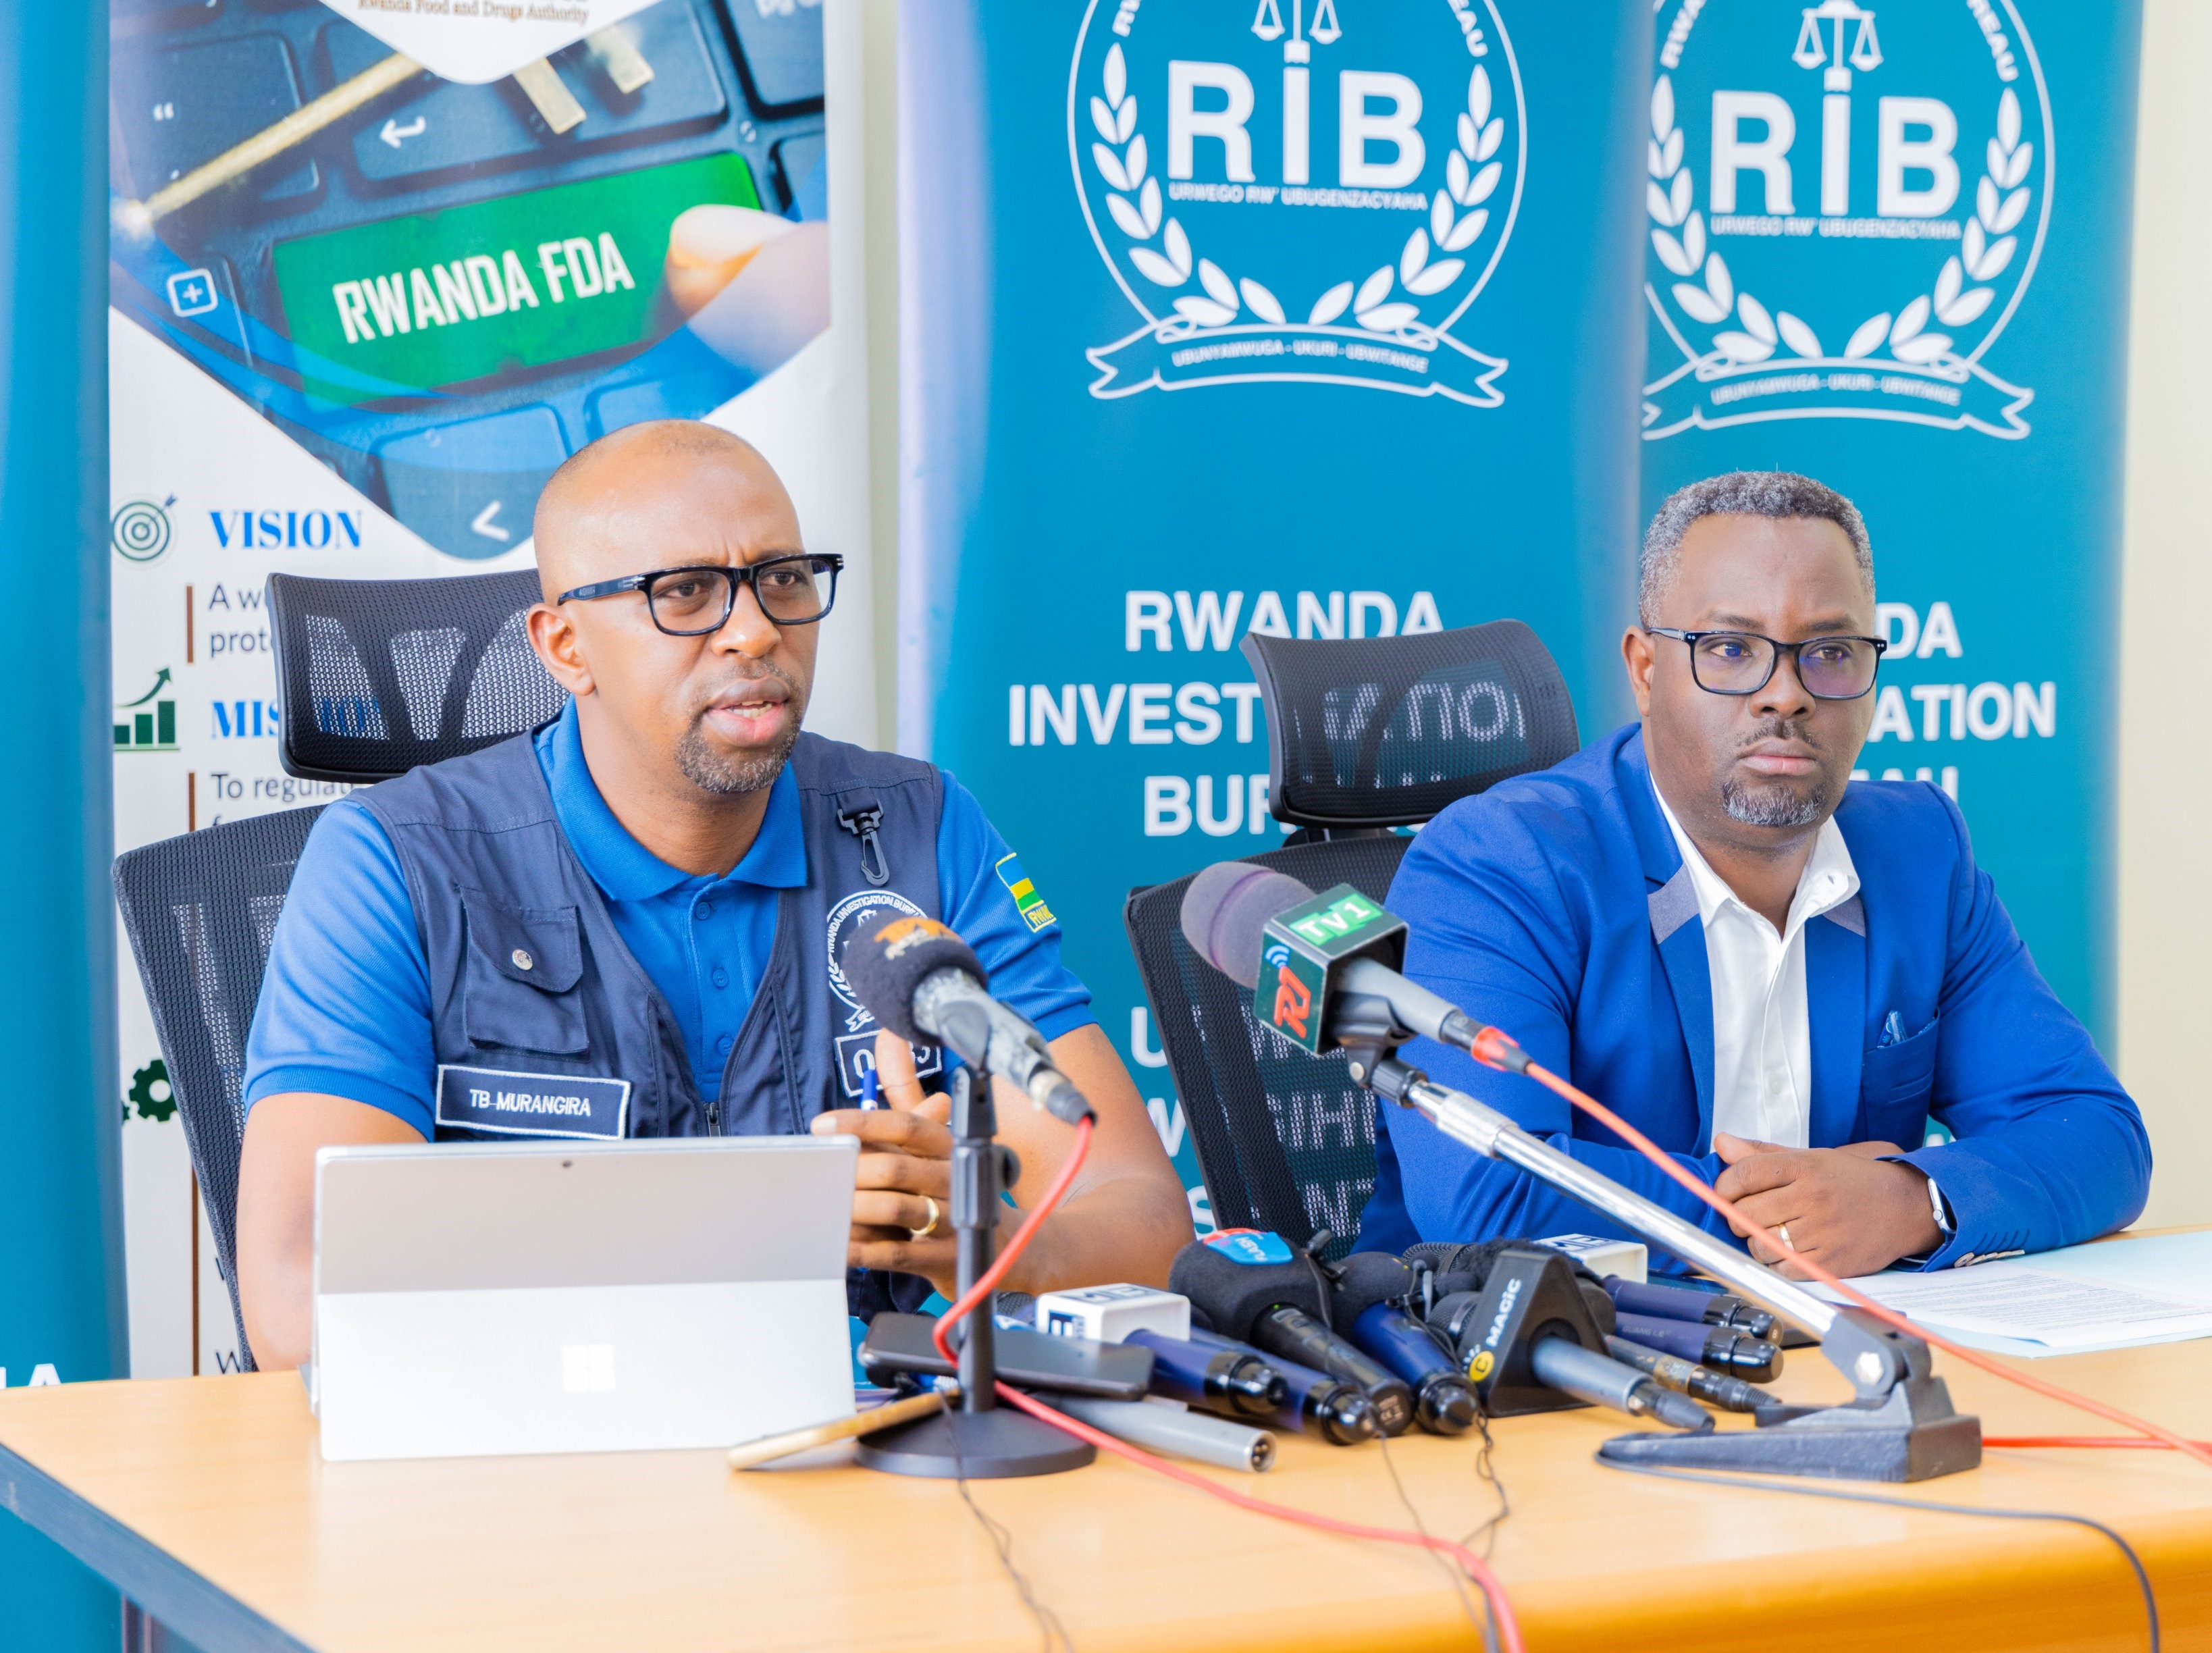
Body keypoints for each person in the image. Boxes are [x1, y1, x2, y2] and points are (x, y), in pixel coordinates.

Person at [234, 422, 1191, 1369]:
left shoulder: (919, 830)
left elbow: (1145, 1217)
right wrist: (715, 1248)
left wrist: (994, 1244)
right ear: (565, 646)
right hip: (545, 1445)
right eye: (685, 591)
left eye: (784, 578)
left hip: (876, 1435)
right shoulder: (390, 863)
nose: (757, 629)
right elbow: (295, 1302)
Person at [1360, 471, 2149, 1278]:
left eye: (1830, 653)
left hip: (1844, 1339)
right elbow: (1490, 1194)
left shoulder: (1919, 851)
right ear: (1645, 668)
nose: (1786, 695)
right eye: (1732, 649)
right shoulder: (1499, 864)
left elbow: (2098, 1136)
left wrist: (1909, 1199)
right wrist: (1805, 1214)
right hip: (1528, 1346)